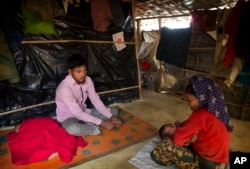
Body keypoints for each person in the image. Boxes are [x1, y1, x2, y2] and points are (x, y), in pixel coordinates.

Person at [151, 75, 233, 169]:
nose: (189, 104)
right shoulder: (217, 110)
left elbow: (177, 140)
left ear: (202, 97)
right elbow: (190, 127)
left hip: (209, 163)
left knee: (166, 145)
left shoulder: (200, 116)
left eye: (190, 100)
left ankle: (162, 156)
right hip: (221, 159)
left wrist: (173, 136)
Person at [55, 54, 122, 136]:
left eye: (84, 70)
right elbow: (77, 113)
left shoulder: (88, 80)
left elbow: (95, 100)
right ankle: (96, 128)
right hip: (69, 117)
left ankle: (88, 122)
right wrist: (103, 123)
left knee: (113, 111)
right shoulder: (65, 88)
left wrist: (111, 117)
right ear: (70, 72)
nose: (83, 74)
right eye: (78, 71)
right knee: (72, 129)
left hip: (83, 111)